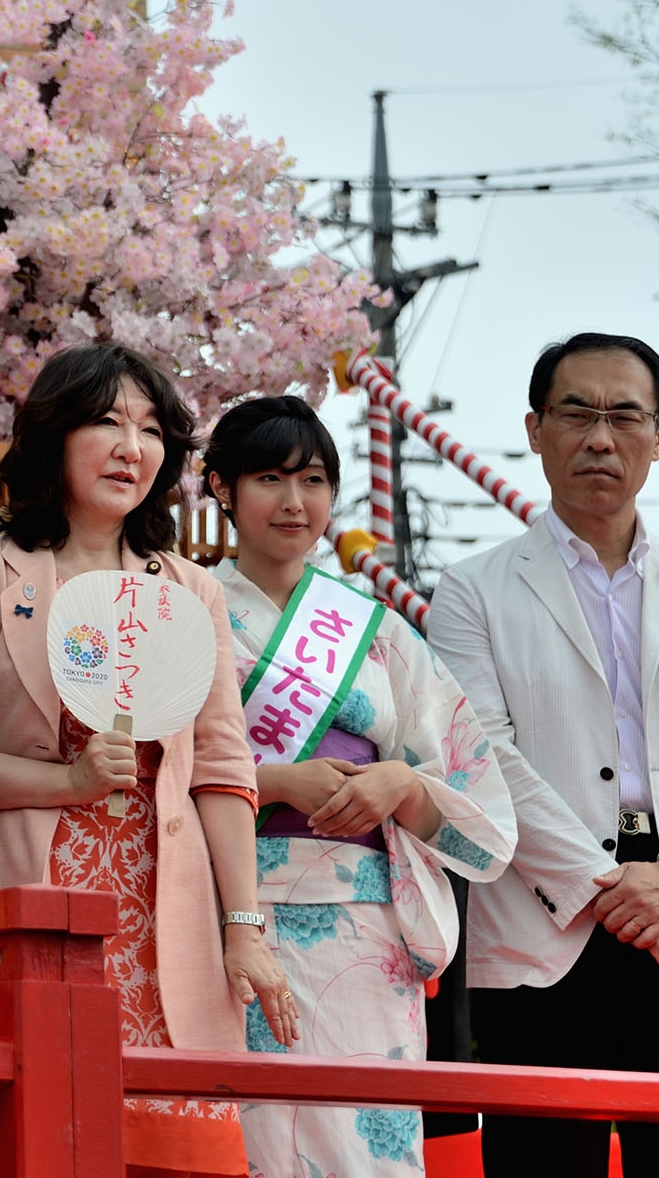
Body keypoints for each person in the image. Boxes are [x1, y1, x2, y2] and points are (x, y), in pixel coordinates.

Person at [428, 332, 659, 1177]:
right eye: (576, 412)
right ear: (535, 427)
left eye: (625, 415)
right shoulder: (473, 589)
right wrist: (612, 887)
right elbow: (482, 755)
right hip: (548, 919)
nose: (600, 437)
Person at [0, 342, 297, 1178]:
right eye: (106, 422)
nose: (131, 447)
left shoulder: (189, 587)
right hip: (37, 908)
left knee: (184, 1154)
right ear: (51, 438)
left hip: (161, 907)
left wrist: (243, 928)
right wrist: (63, 782)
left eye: (149, 430)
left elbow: (221, 767)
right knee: (42, 1141)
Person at [200, 395, 516, 1178]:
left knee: (364, 1141)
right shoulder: (182, 610)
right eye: (268, 477)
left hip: (367, 928)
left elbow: (477, 797)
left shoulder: (379, 632)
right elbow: (143, 780)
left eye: (313, 479)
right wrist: (271, 781)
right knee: (250, 1137)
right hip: (227, 917)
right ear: (220, 489)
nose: (294, 501)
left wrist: (400, 787)